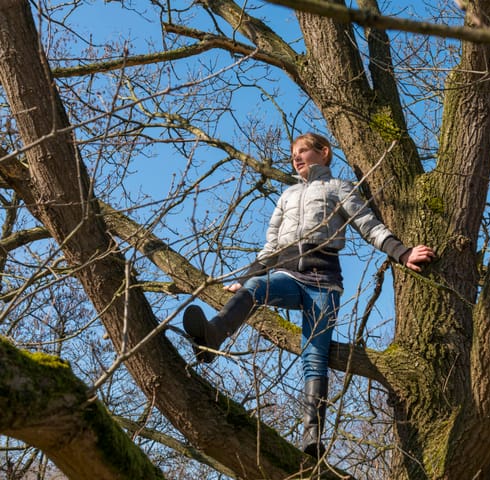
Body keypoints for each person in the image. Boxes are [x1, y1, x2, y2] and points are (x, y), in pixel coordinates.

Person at [182, 132, 435, 458]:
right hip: (287, 275)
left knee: (314, 355)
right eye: (293, 155)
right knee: (257, 288)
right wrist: (245, 279)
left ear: (324, 152)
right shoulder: (286, 196)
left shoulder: (338, 188)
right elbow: (270, 248)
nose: (297, 158)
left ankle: (311, 440)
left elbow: (368, 224)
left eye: (303, 151)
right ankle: (212, 336)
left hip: (323, 283)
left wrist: (402, 253)